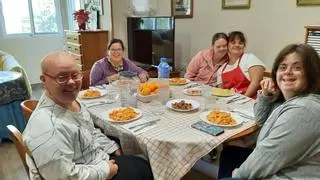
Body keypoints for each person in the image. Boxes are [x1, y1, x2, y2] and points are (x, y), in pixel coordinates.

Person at [23, 51, 154, 180]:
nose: (71, 82)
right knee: (148, 169)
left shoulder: (71, 100)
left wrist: (113, 149)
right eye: (62, 78)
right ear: (44, 80)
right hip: (91, 170)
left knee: (143, 162)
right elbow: (62, 176)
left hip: (95, 157)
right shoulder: (46, 126)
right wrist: (106, 170)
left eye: (75, 75)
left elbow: (90, 130)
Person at [219, 44, 320, 179]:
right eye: (283, 67)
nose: (288, 72)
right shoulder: (286, 99)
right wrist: (266, 95)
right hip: (280, 161)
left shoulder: (303, 110)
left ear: (312, 74)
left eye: (297, 68)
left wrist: (235, 175)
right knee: (229, 153)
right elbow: (260, 120)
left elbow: (266, 157)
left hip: (284, 174)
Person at [216, 31, 265, 98]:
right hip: (231, 104)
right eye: (233, 43)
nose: (237, 45)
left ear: (244, 46)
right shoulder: (221, 70)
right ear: (227, 46)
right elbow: (221, 93)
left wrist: (242, 99)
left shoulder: (250, 58)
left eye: (241, 43)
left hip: (252, 102)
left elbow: (256, 83)